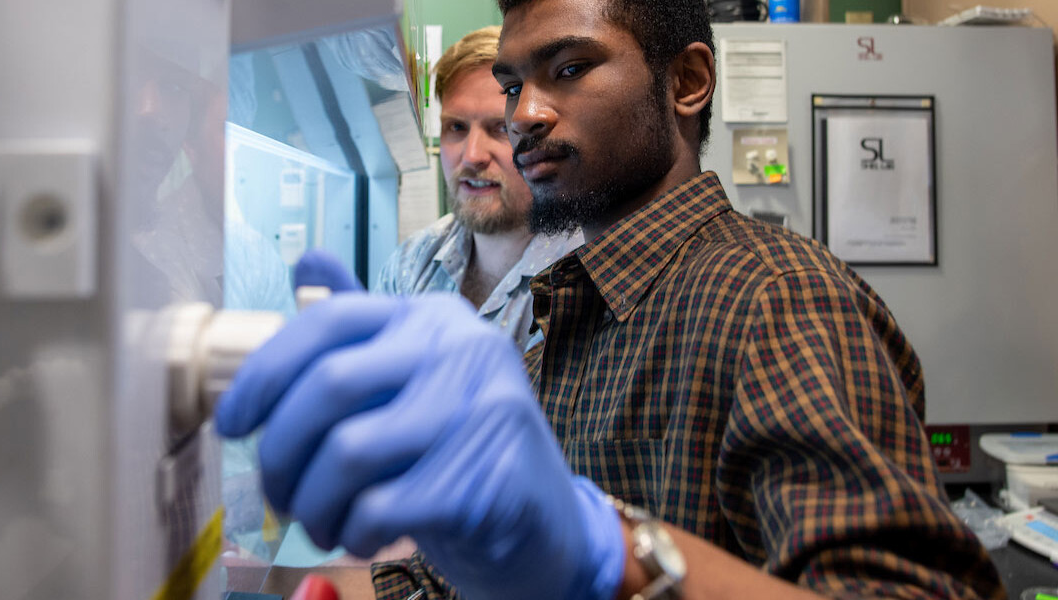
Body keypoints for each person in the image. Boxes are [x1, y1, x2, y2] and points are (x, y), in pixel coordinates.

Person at [216, 0, 1007, 598]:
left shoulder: (776, 297)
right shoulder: (578, 308)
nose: (524, 114)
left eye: (568, 68)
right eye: (512, 83)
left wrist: (614, 551)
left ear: (687, 82)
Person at [374, 25, 581, 351]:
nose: (471, 157)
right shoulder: (411, 265)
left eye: (499, 128)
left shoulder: (579, 276)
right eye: (456, 127)